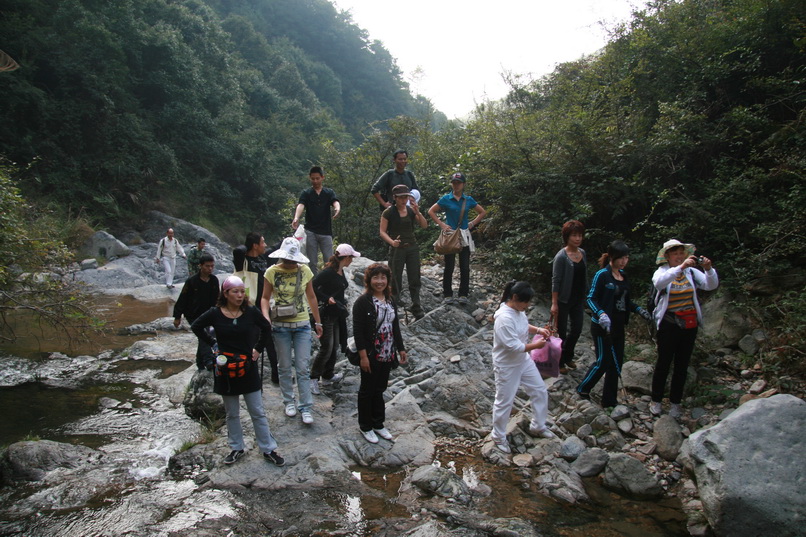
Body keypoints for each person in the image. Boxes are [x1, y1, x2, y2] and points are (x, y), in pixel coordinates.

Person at [191, 275, 285, 467]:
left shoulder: (250, 312)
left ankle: (268, 448)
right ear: (225, 294)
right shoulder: (215, 313)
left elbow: (266, 328)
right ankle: (236, 448)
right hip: (225, 368)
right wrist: (212, 343)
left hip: (247, 366)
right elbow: (196, 326)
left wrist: (257, 349)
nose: (240, 295)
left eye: (242, 291)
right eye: (236, 291)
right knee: (231, 412)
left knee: (257, 411)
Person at [576, 241, 652, 408]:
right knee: (603, 361)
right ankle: (583, 389)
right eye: (620, 258)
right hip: (602, 327)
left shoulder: (624, 276)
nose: (624, 261)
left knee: (616, 363)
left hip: (618, 326)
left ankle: (609, 400)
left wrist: (639, 309)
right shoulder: (602, 275)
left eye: (626, 258)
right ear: (611, 257)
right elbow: (591, 298)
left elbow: (626, 301)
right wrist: (601, 313)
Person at [650, 239, 719, 418]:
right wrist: (679, 268)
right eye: (675, 254)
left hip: (689, 325)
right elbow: (659, 284)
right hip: (669, 324)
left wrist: (709, 269)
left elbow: (711, 285)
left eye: (682, 254)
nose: (679, 257)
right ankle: (656, 400)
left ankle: (675, 402)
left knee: (682, 364)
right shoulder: (662, 272)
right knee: (664, 363)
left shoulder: (691, 272)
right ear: (667, 257)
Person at [261, 237, 323, 425]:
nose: (290, 262)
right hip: (280, 325)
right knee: (284, 366)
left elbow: (311, 296)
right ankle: (289, 401)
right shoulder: (271, 272)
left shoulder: (304, 270)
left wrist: (318, 322)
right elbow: (264, 298)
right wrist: (265, 317)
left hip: (302, 324)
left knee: (303, 367)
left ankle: (305, 406)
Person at [491, 281, 555, 454]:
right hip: (507, 364)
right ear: (515, 298)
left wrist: (539, 330)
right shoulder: (503, 318)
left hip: (523, 360)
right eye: (525, 302)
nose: (527, 306)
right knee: (505, 401)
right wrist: (536, 346)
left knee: (540, 389)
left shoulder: (518, 311)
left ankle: (538, 425)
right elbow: (513, 346)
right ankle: (498, 436)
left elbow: (523, 325)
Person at [353, 263, 408, 444]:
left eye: (383, 278)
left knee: (380, 389)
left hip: (387, 352)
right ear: (369, 280)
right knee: (367, 390)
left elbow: (395, 326)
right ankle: (365, 426)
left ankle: (378, 424)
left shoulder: (390, 299)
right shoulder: (362, 302)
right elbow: (358, 331)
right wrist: (362, 356)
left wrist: (400, 348)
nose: (380, 281)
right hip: (370, 353)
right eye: (376, 277)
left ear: (387, 280)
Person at [427, 172, 487, 304]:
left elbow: (482, 212)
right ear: (451, 184)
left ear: (463, 184)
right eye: (454, 182)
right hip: (450, 236)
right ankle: (447, 294)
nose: (456, 185)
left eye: (459, 183)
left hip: (464, 235)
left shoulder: (468, 200)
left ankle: (463, 294)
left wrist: (472, 223)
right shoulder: (446, 199)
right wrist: (442, 224)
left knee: (465, 266)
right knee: (449, 266)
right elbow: (431, 211)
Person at [310, 243, 361, 395]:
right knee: (326, 346)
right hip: (327, 314)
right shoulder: (328, 272)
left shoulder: (340, 271)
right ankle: (313, 377)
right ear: (345, 258)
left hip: (337, 313)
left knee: (335, 346)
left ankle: (327, 375)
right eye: (351, 257)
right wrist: (326, 299)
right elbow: (311, 287)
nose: (352, 260)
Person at [379, 184, 428, 319]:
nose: (404, 199)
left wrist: (417, 212)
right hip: (397, 248)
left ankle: (416, 304)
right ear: (395, 198)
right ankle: (393, 302)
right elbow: (382, 231)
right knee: (395, 276)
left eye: (406, 196)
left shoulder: (411, 210)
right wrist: (392, 242)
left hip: (412, 246)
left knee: (415, 276)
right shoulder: (388, 212)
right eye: (401, 197)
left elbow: (424, 225)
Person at [550, 220, 588, 374]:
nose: (577, 239)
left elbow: (584, 275)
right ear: (567, 237)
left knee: (577, 329)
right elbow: (556, 280)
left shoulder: (582, 253)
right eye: (574, 235)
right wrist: (554, 303)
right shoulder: (561, 256)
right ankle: (559, 362)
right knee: (562, 332)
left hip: (578, 298)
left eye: (579, 235)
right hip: (564, 299)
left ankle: (568, 355)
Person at [242, 232, 280, 384]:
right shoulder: (243, 260)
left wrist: (287, 239)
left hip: (263, 305)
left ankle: (275, 374)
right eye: (262, 242)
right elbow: (237, 251)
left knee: (269, 339)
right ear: (254, 245)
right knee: (251, 340)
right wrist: (245, 248)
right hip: (249, 306)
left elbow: (273, 250)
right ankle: (250, 373)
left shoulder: (263, 259)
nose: (265, 245)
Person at [173, 254, 219, 370]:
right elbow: (182, 298)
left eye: (212, 266)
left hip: (208, 313)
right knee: (204, 336)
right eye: (207, 266)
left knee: (203, 336)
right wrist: (177, 316)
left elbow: (217, 298)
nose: (210, 269)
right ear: (200, 266)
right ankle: (208, 361)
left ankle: (200, 362)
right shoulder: (191, 281)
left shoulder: (214, 280)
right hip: (193, 314)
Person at [292, 166, 341, 276]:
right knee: (311, 262)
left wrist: (337, 209)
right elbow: (301, 205)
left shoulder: (328, 192)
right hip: (310, 231)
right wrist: (296, 217)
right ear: (310, 178)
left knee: (329, 261)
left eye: (317, 178)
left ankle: (328, 282)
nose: (315, 181)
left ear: (322, 178)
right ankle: (313, 285)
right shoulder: (307, 193)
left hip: (325, 231)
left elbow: (335, 201)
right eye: (313, 179)